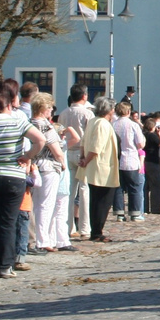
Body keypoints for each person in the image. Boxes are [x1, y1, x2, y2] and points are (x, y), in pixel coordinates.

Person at [0, 84, 44, 278]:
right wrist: (27, 156)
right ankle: (6, 265)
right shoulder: (17, 123)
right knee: (9, 221)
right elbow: (40, 140)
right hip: (13, 176)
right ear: (9, 106)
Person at [29, 94, 69, 251]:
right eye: (50, 107)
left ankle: (38, 238)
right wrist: (63, 164)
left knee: (35, 205)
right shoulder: (45, 126)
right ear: (43, 108)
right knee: (46, 204)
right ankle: (43, 240)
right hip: (48, 167)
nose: (51, 110)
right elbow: (56, 151)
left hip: (34, 166)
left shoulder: (29, 122)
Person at [77, 98, 119, 240]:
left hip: (94, 166)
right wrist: (86, 160)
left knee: (95, 200)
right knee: (103, 201)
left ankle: (96, 230)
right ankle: (97, 231)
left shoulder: (93, 121)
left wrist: (83, 157)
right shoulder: (102, 123)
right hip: (101, 167)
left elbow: (83, 141)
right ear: (109, 110)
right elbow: (96, 147)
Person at [58, 84, 93, 239]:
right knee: (84, 190)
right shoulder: (87, 113)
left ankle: (69, 226)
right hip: (81, 152)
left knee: (69, 192)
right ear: (84, 96)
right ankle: (85, 228)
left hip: (67, 151)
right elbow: (90, 135)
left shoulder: (63, 113)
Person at [111, 101, 144, 223]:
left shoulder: (113, 124)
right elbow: (140, 144)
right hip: (130, 159)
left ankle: (119, 213)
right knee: (134, 187)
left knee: (118, 187)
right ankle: (135, 213)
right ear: (128, 112)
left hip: (117, 159)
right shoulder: (133, 125)